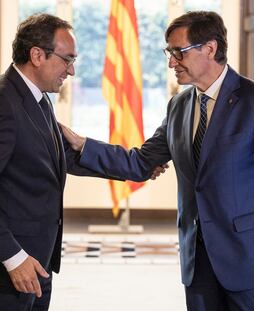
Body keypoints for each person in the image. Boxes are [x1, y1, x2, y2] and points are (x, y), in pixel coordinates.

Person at [63, 11, 254, 311]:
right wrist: (82, 144)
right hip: (196, 261)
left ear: (210, 48)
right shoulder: (179, 105)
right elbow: (140, 162)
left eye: (178, 52)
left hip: (249, 257)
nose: (171, 62)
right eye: (169, 53)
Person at [0, 14, 164, 311]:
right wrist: (13, 256)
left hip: (39, 260)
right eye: (67, 60)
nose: (72, 71)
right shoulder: (4, 103)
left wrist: (139, 167)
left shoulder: (36, 98)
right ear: (37, 55)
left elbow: (66, 155)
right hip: (13, 265)